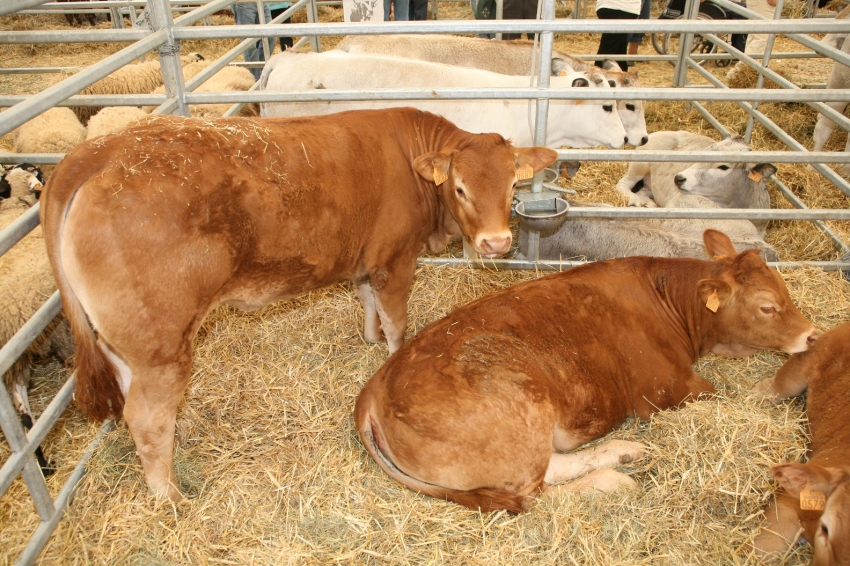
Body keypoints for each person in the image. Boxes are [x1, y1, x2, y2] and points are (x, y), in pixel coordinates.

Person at [726, 0, 777, 80]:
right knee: (763, 37)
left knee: (755, 35)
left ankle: (749, 72)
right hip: (764, 4)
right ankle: (739, 72)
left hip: (757, 3)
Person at [231, 1, 273, 81]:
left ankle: (262, 71)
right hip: (244, 3)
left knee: (270, 36)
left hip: (261, 2)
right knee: (249, 43)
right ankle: (256, 79)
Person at [596, 0, 642, 71]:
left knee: (618, 48)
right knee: (609, 51)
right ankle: (596, 77)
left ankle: (622, 77)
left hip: (611, 6)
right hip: (622, 7)